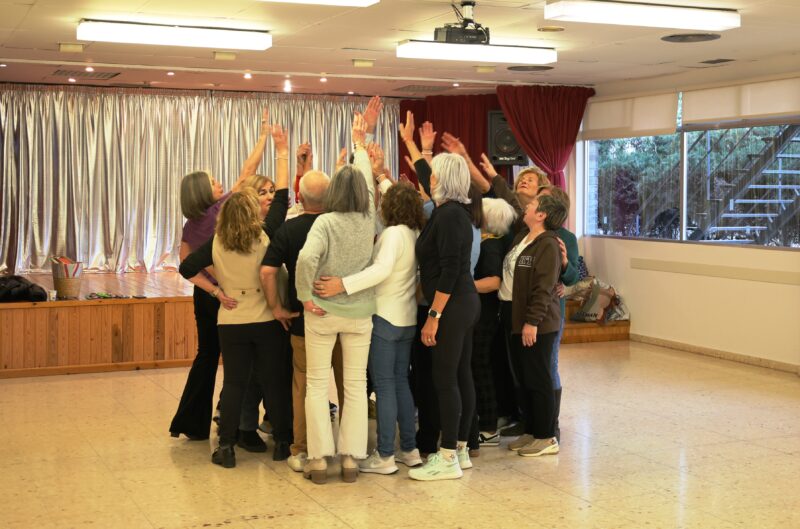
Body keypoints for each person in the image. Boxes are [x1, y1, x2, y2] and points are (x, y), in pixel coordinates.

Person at [178, 123, 293, 468]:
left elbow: (185, 268)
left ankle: (225, 447)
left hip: (231, 320)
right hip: (265, 319)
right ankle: (283, 443)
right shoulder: (266, 235)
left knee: (234, 385)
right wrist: (283, 153)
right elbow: (284, 198)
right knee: (273, 382)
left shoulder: (217, 242)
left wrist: (215, 290)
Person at [169, 110, 272, 441]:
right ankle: (238, 423)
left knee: (207, 357)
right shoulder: (222, 210)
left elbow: (184, 264)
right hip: (230, 297)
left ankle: (191, 422)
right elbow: (249, 171)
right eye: (213, 182)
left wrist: (210, 291)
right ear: (204, 192)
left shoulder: (189, 224)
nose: (220, 183)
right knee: (242, 364)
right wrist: (263, 137)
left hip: (207, 297)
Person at [314, 181, 425, 475]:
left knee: (385, 386)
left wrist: (343, 284)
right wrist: (383, 178)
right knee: (400, 382)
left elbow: (380, 271)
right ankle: (409, 449)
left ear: (390, 207)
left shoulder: (391, 235)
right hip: (407, 319)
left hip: (386, 318)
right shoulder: (414, 233)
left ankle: (386, 454)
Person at [294, 113, 377, 485]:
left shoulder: (324, 222)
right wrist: (359, 144)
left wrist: (304, 294)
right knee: (355, 386)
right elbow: (370, 182)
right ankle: (350, 460)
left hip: (323, 312)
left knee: (316, 385)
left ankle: (317, 460)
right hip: (361, 314)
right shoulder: (369, 217)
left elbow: (306, 258)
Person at [400, 111, 480, 481]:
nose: (428, 179)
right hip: (463, 303)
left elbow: (448, 271)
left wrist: (433, 316)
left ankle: (447, 455)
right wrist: (418, 149)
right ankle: (460, 448)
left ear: (443, 181)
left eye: (433, 176)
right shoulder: (455, 212)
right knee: (461, 374)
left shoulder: (448, 217)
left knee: (446, 379)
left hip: (451, 305)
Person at [499, 194, 567, 457]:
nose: (527, 206)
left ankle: (546, 436)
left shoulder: (548, 244)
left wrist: (532, 322)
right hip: (516, 318)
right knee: (524, 379)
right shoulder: (522, 238)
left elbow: (544, 287)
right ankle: (531, 430)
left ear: (542, 216)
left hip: (538, 323)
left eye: (533, 204)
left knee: (539, 379)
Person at [468, 198, 517, 448]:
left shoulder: (491, 247)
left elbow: (493, 282)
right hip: (485, 313)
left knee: (480, 366)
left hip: (485, 315)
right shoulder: (489, 242)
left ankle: (487, 427)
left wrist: (465, 287)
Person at [536, 185, 581, 442]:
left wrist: (564, 265)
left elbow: (573, 276)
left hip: (553, 311)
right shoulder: (530, 232)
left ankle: (551, 424)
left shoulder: (567, 237)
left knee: (550, 365)